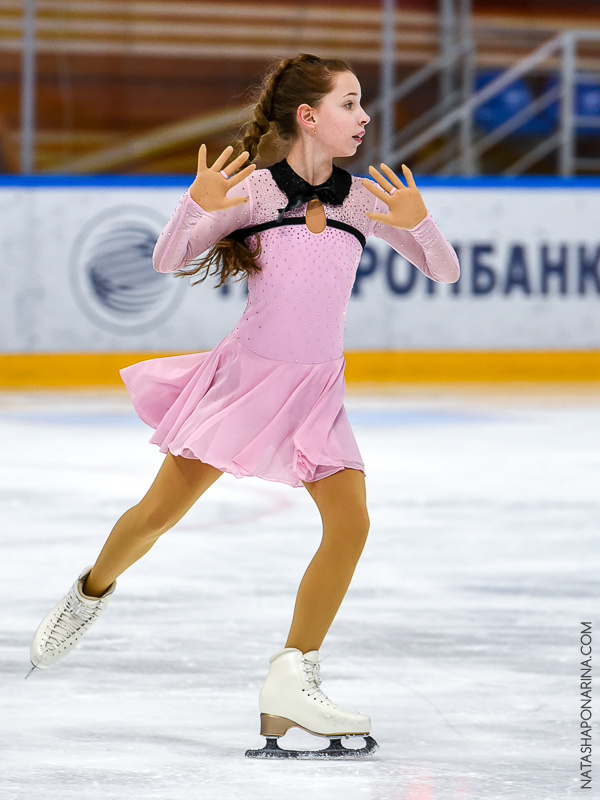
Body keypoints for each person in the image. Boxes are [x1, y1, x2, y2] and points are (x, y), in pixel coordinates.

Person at [29, 53, 459, 759]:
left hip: (318, 390)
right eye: (350, 104)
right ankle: (90, 591)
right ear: (307, 116)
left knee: (351, 525)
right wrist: (196, 205)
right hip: (246, 383)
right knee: (158, 515)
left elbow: (442, 270)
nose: (365, 117)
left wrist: (423, 222)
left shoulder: (362, 201)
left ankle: (293, 674)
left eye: (362, 104)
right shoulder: (256, 194)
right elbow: (169, 261)